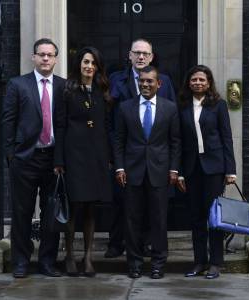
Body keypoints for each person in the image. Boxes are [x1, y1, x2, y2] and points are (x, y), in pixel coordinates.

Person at [105, 38, 176, 259]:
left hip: (154, 155)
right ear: (129, 55)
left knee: (151, 205)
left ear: (152, 57)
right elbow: (109, 117)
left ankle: (145, 244)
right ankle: (116, 243)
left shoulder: (164, 81)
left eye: (145, 53)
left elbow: (172, 119)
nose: (141, 57)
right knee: (121, 201)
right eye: (136, 53)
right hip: (125, 152)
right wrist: (112, 154)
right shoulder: (117, 79)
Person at [2, 38, 66, 278]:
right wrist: (11, 155)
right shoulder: (18, 85)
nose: (46, 59)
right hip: (25, 159)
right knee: (22, 212)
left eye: (50, 55)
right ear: (34, 57)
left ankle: (47, 262)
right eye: (41, 54)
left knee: (51, 213)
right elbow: (8, 121)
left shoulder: (63, 86)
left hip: (54, 160)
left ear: (56, 59)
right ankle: (21, 261)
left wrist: (63, 159)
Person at [114, 65, 181, 279]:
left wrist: (173, 169)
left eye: (149, 81)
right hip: (132, 171)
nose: (144, 84)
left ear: (158, 84)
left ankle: (158, 263)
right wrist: (120, 166)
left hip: (159, 172)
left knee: (159, 220)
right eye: (142, 81)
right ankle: (134, 263)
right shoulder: (125, 107)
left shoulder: (170, 108)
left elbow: (175, 142)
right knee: (132, 220)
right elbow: (118, 140)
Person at [54, 46, 112, 277]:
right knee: (73, 208)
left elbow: (107, 127)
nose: (89, 66)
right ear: (79, 64)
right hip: (73, 156)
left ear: (98, 67)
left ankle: (87, 258)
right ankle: (69, 256)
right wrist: (59, 159)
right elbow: (60, 125)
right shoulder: (67, 90)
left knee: (90, 209)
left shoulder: (102, 91)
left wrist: (108, 158)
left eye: (93, 63)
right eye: (86, 62)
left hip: (96, 157)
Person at [177, 65, 236, 279]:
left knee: (214, 217)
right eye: (194, 80)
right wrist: (181, 172)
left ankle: (215, 262)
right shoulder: (182, 106)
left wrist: (230, 170)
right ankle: (199, 261)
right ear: (189, 83)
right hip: (192, 169)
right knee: (196, 217)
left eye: (202, 79)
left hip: (214, 168)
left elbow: (227, 137)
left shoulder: (218, 106)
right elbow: (180, 142)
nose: (198, 83)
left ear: (208, 83)